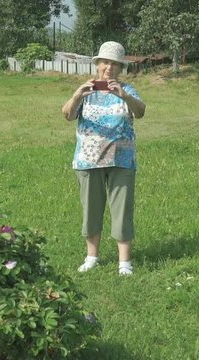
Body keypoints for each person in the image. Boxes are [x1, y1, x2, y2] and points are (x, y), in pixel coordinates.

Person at [61, 41, 146, 276]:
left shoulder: (128, 90)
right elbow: (67, 115)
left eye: (114, 64)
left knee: (122, 210)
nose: (109, 68)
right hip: (89, 160)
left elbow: (140, 112)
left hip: (122, 159)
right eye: (105, 62)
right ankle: (91, 257)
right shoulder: (86, 91)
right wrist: (77, 94)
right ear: (97, 64)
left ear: (120, 68)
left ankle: (124, 263)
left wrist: (125, 96)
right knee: (91, 209)